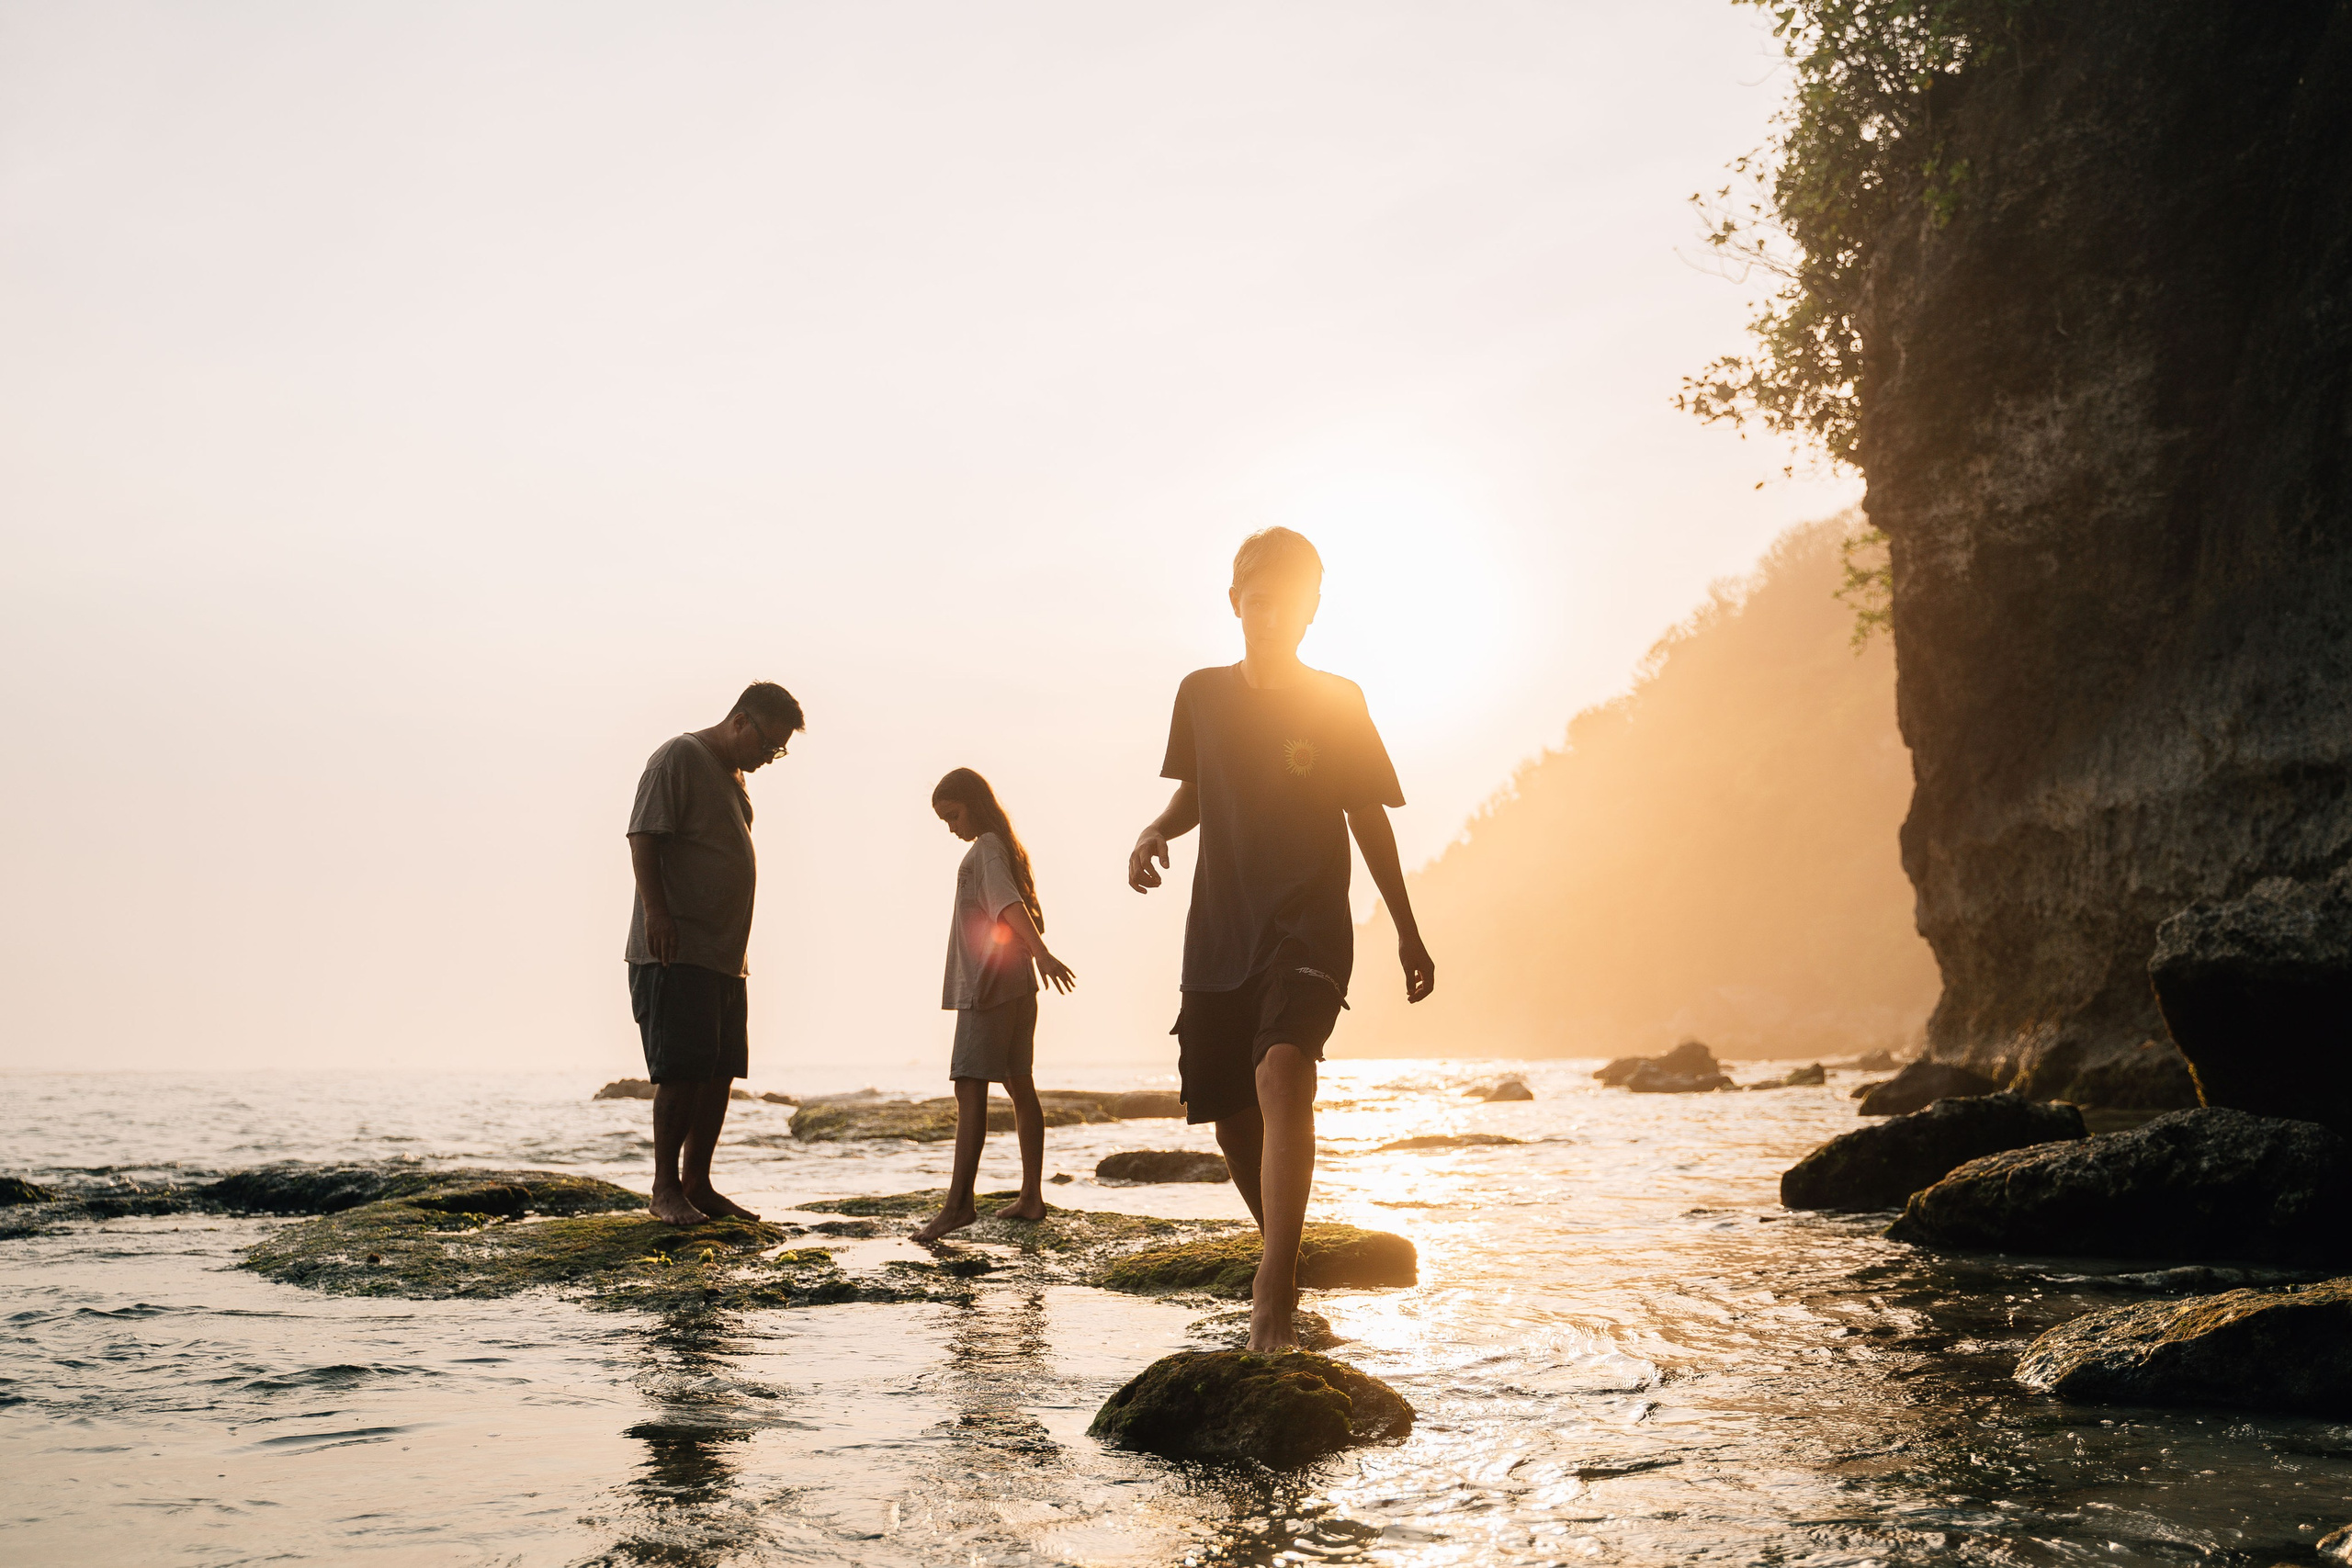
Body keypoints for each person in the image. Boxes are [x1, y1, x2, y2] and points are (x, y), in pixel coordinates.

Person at [1127, 528, 1436, 1351]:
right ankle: (1284, 1253)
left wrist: (1407, 930)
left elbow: (1366, 815)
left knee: (1283, 1070)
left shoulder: (1338, 701)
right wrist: (1156, 829)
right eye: (1256, 601)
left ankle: (1273, 1292)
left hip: (1307, 923)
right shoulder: (1201, 693)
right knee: (1231, 1115)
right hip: (1219, 929)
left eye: (1287, 604)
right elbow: (1200, 789)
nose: (1269, 618)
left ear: (1312, 611)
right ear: (1235, 601)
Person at [624, 681, 805, 1225]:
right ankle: (664, 1190)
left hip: (724, 958)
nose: (770, 757)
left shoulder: (734, 778)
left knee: (719, 1072)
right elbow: (644, 836)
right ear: (740, 721)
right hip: (676, 950)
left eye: (779, 750)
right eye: (768, 744)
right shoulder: (679, 756)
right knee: (681, 1072)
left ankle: (697, 1184)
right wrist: (658, 914)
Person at [911, 768, 1077, 1243]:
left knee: (969, 1087)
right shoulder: (1003, 845)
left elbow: (1006, 905)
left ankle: (958, 1206)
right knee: (1020, 1085)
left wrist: (1042, 952)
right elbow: (1012, 902)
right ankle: (1031, 1197)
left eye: (953, 815)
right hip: (1016, 983)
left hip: (987, 984)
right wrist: (1036, 956)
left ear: (974, 804)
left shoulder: (985, 846)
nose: (951, 828)